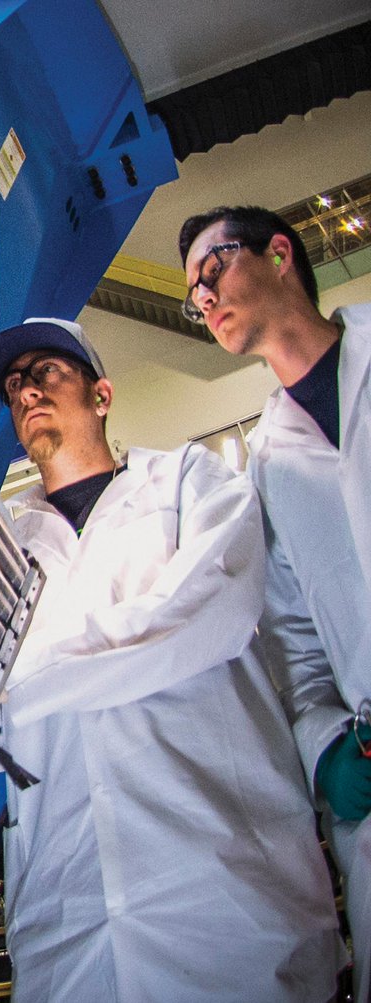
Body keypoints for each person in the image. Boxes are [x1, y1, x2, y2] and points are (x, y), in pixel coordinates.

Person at [0, 318, 345, 1002]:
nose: (26, 391)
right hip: (66, 922)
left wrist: (9, 691)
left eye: (47, 372)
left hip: (225, 895)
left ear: (103, 394)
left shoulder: (189, 481)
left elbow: (202, 616)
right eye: (15, 383)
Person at [179, 205, 371, 998]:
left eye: (214, 267)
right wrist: (326, 747)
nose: (203, 296)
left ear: (280, 253)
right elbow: (294, 641)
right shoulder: (267, 467)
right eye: (193, 293)